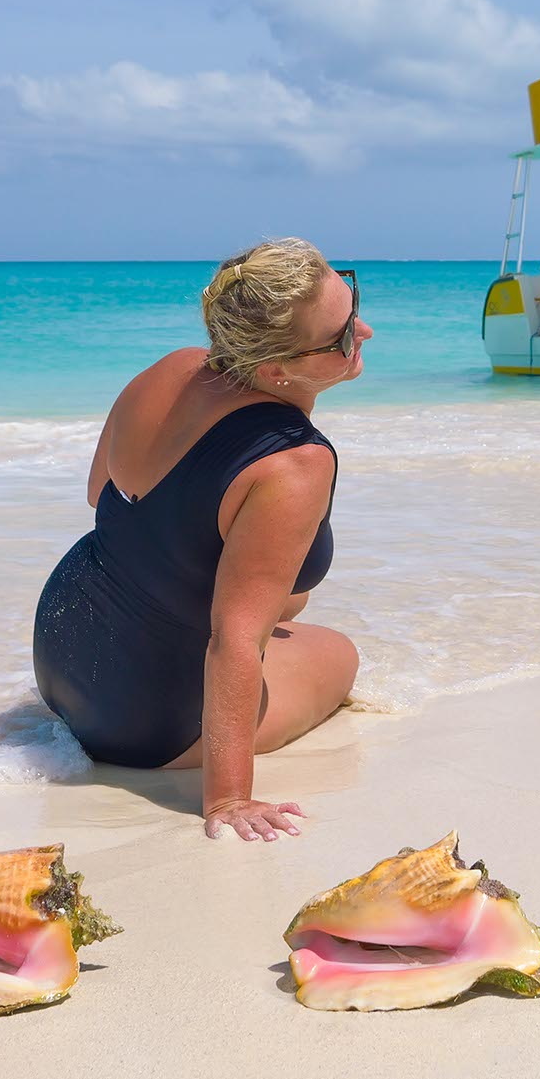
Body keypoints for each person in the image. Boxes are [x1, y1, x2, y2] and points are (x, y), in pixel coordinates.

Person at [33, 239, 363, 843]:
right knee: (338, 653)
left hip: (62, 652)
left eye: (354, 296)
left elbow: (99, 495)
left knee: (287, 605)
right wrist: (229, 798)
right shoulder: (295, 464)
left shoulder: (173, 367)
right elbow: (234, 639)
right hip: (137, 723)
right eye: (341, 334)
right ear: (275, 370)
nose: (363, 330)